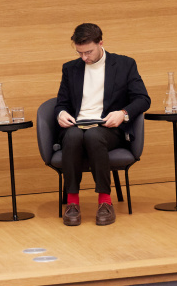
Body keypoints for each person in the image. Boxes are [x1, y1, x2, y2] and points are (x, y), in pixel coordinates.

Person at [53, 23, 150, 226]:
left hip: (108, 128)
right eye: (79, 53)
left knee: (93, 135)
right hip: (76, 126)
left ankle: (105, 202)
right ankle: (72, 203)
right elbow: (61, 103)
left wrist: (123, 114)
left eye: (88, 52)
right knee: (72, 136)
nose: (84, 58)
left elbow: (143, 99)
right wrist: (61, 114)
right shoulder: (70, 69)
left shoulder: (124, 64)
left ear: (101, 43)